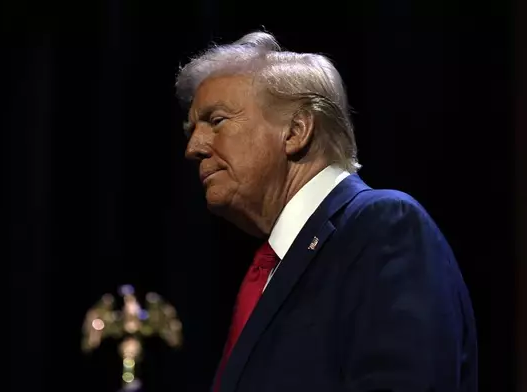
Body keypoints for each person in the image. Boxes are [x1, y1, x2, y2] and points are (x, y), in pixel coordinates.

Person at [175, 31, 477, 392]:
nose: (194, 147)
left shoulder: (383, 226)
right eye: (192, 129)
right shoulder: (276, 265)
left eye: (217, 120)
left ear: (296, 131)